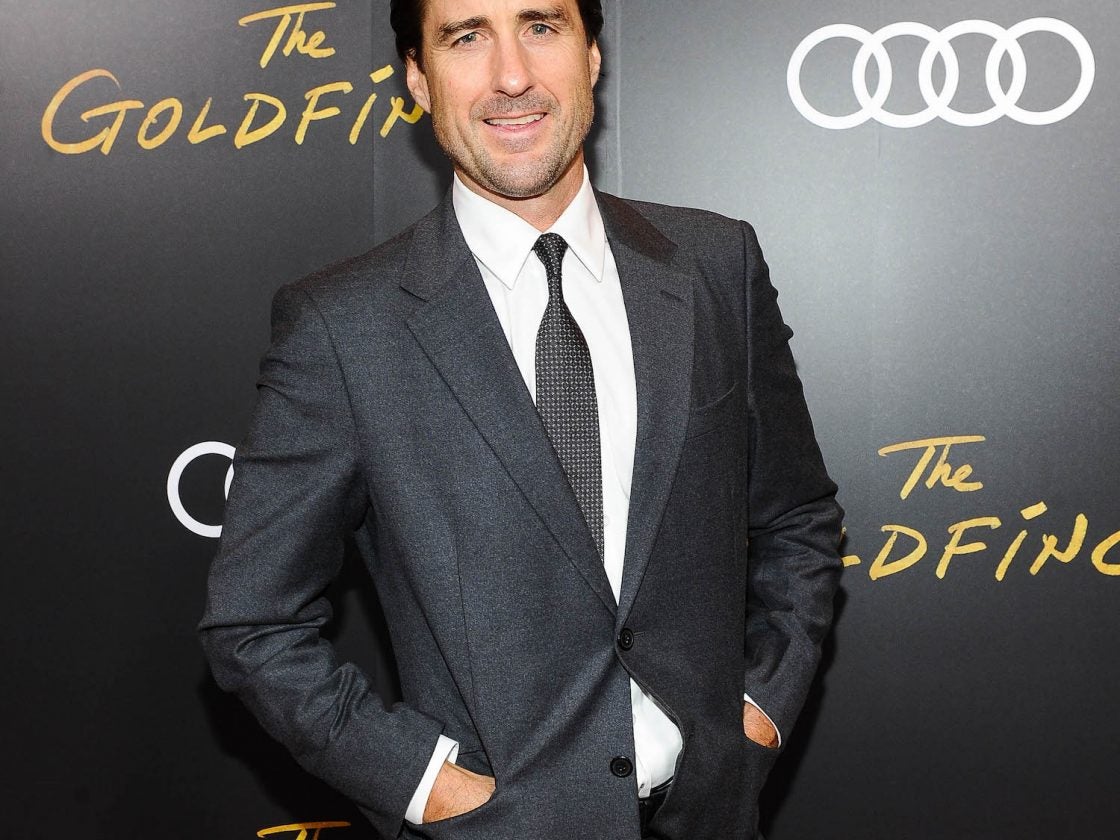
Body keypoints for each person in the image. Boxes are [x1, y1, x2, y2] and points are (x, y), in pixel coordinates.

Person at [199, 1, 843, 837]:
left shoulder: (716, 265)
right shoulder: (343, 328)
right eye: (466, 37)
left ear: (592, 55)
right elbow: (253, 622)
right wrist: (427, 787)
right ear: (417, 78)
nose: (511, 75)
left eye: (541, 26)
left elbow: (796, 518)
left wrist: (757, 715)